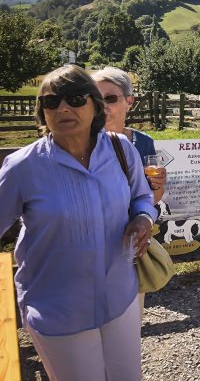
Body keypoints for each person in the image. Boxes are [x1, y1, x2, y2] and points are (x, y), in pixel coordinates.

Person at [0, 65, 156, 380]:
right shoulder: (23, 167)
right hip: (58, 310)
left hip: (120, 298)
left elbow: (142, 197)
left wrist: (143, 219)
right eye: (51, 101)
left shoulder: (120, 149)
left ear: (95, 106)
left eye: (74, 98)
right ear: (42, 111)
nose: (62, 108)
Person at [93, 66, 167, 203]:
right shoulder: (82, 142)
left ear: (130, 101)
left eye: (110, 98)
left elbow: (154, 198)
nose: (102, 105)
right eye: (96, 99)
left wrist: (156, 184)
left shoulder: (143, 142)